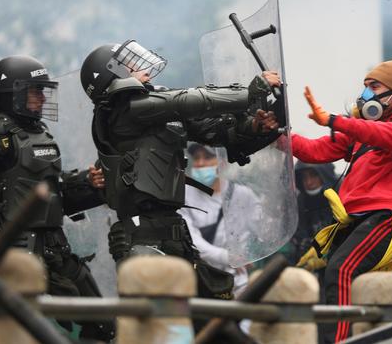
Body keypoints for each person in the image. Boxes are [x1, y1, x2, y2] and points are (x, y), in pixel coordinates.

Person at [80, 39, 281, 301]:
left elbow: (213, 130)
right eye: (127, 65)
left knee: (209, 316)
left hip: (173, 232)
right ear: (112, 75)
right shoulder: (125, 109)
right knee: (161, 328)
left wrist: (254, 126)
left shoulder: (153, 108)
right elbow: (190, 100)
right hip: (143, 239)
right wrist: (251, 91)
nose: (141, 68)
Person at [0, 55, 114, 341]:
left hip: (57, 248)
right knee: (21, 334)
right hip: (19, 253)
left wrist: (86, 181)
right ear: (14, 93)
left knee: (104, 325)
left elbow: (48, 189)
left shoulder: (38, 131)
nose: (43, 99)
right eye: (36, 91)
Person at [292, 59, 392, 343]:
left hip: (388, 218)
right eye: (364, 87)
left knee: (342, 270)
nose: (365, 94)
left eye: (373, 86)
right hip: (358, 221)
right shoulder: (361, 132)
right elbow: (312, 151)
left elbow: (389, 135)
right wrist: (276, 133)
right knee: (333, 275)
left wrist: (334, 120)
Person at [178, 143, 262, 296]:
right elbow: (191, 240)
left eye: (208, 157)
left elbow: (262, 231)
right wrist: (228, 257)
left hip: (238, 283)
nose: (201, 163)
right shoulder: (184, 196)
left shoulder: (243, 194)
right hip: (200, 280)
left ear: (222, 162)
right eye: (197, 158)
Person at [290, 161, 337, 265]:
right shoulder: (301, 201)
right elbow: (299, 232)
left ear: (324, 174)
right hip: (312, 260)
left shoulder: (339, 194)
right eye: (304, 178)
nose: (309, 182)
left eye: (313, 175)